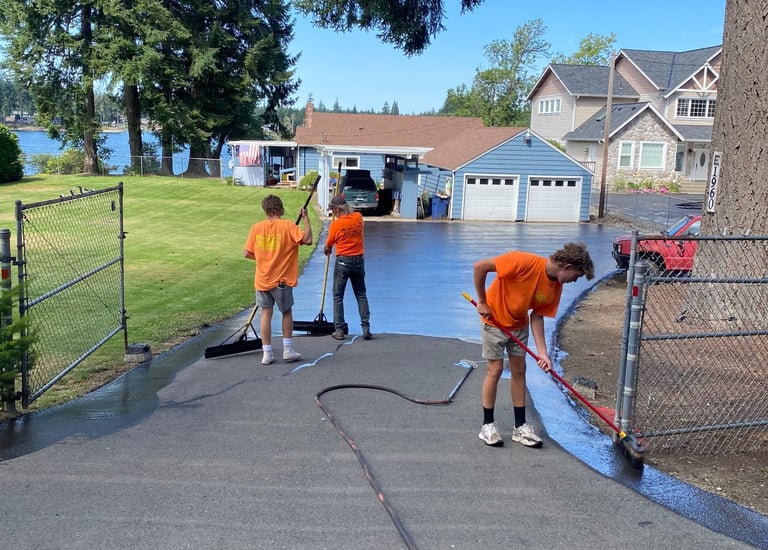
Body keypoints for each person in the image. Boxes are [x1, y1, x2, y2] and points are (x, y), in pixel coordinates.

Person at [473, 242, 594, 448]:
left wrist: (543, 353)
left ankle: (520, 427)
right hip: (494, 319)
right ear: (567, 267)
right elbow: (480, 267)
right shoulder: (522, 261)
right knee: (495, 369)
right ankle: (488, 425)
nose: (575, 280)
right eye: (577, 275)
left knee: (520, 369)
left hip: (519, 324)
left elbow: (537, 317)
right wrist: (482, 301)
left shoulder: (555, 286)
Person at [244, 194, 313, 365]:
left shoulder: (256, 228)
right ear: (280, 209)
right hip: (281, 280)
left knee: (266, 313)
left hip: (262, 278)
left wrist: (262, 259)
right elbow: (308, 240)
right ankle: (287, 350)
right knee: (286, 312)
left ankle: (267, 353)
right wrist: (305, 219)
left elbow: (247, 253)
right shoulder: (288, 225)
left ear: (266, 210)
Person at [323, 195, 372, 341]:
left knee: (338, 296)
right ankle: (366, 328)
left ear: (338, 209)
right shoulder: (358, 217)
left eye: (332, 210)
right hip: (358, 260)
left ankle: (339, 330)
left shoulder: (336, 225)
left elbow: (328, 246)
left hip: (343, 261)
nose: (332, 213)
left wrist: (327, 250)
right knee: (361, 294)